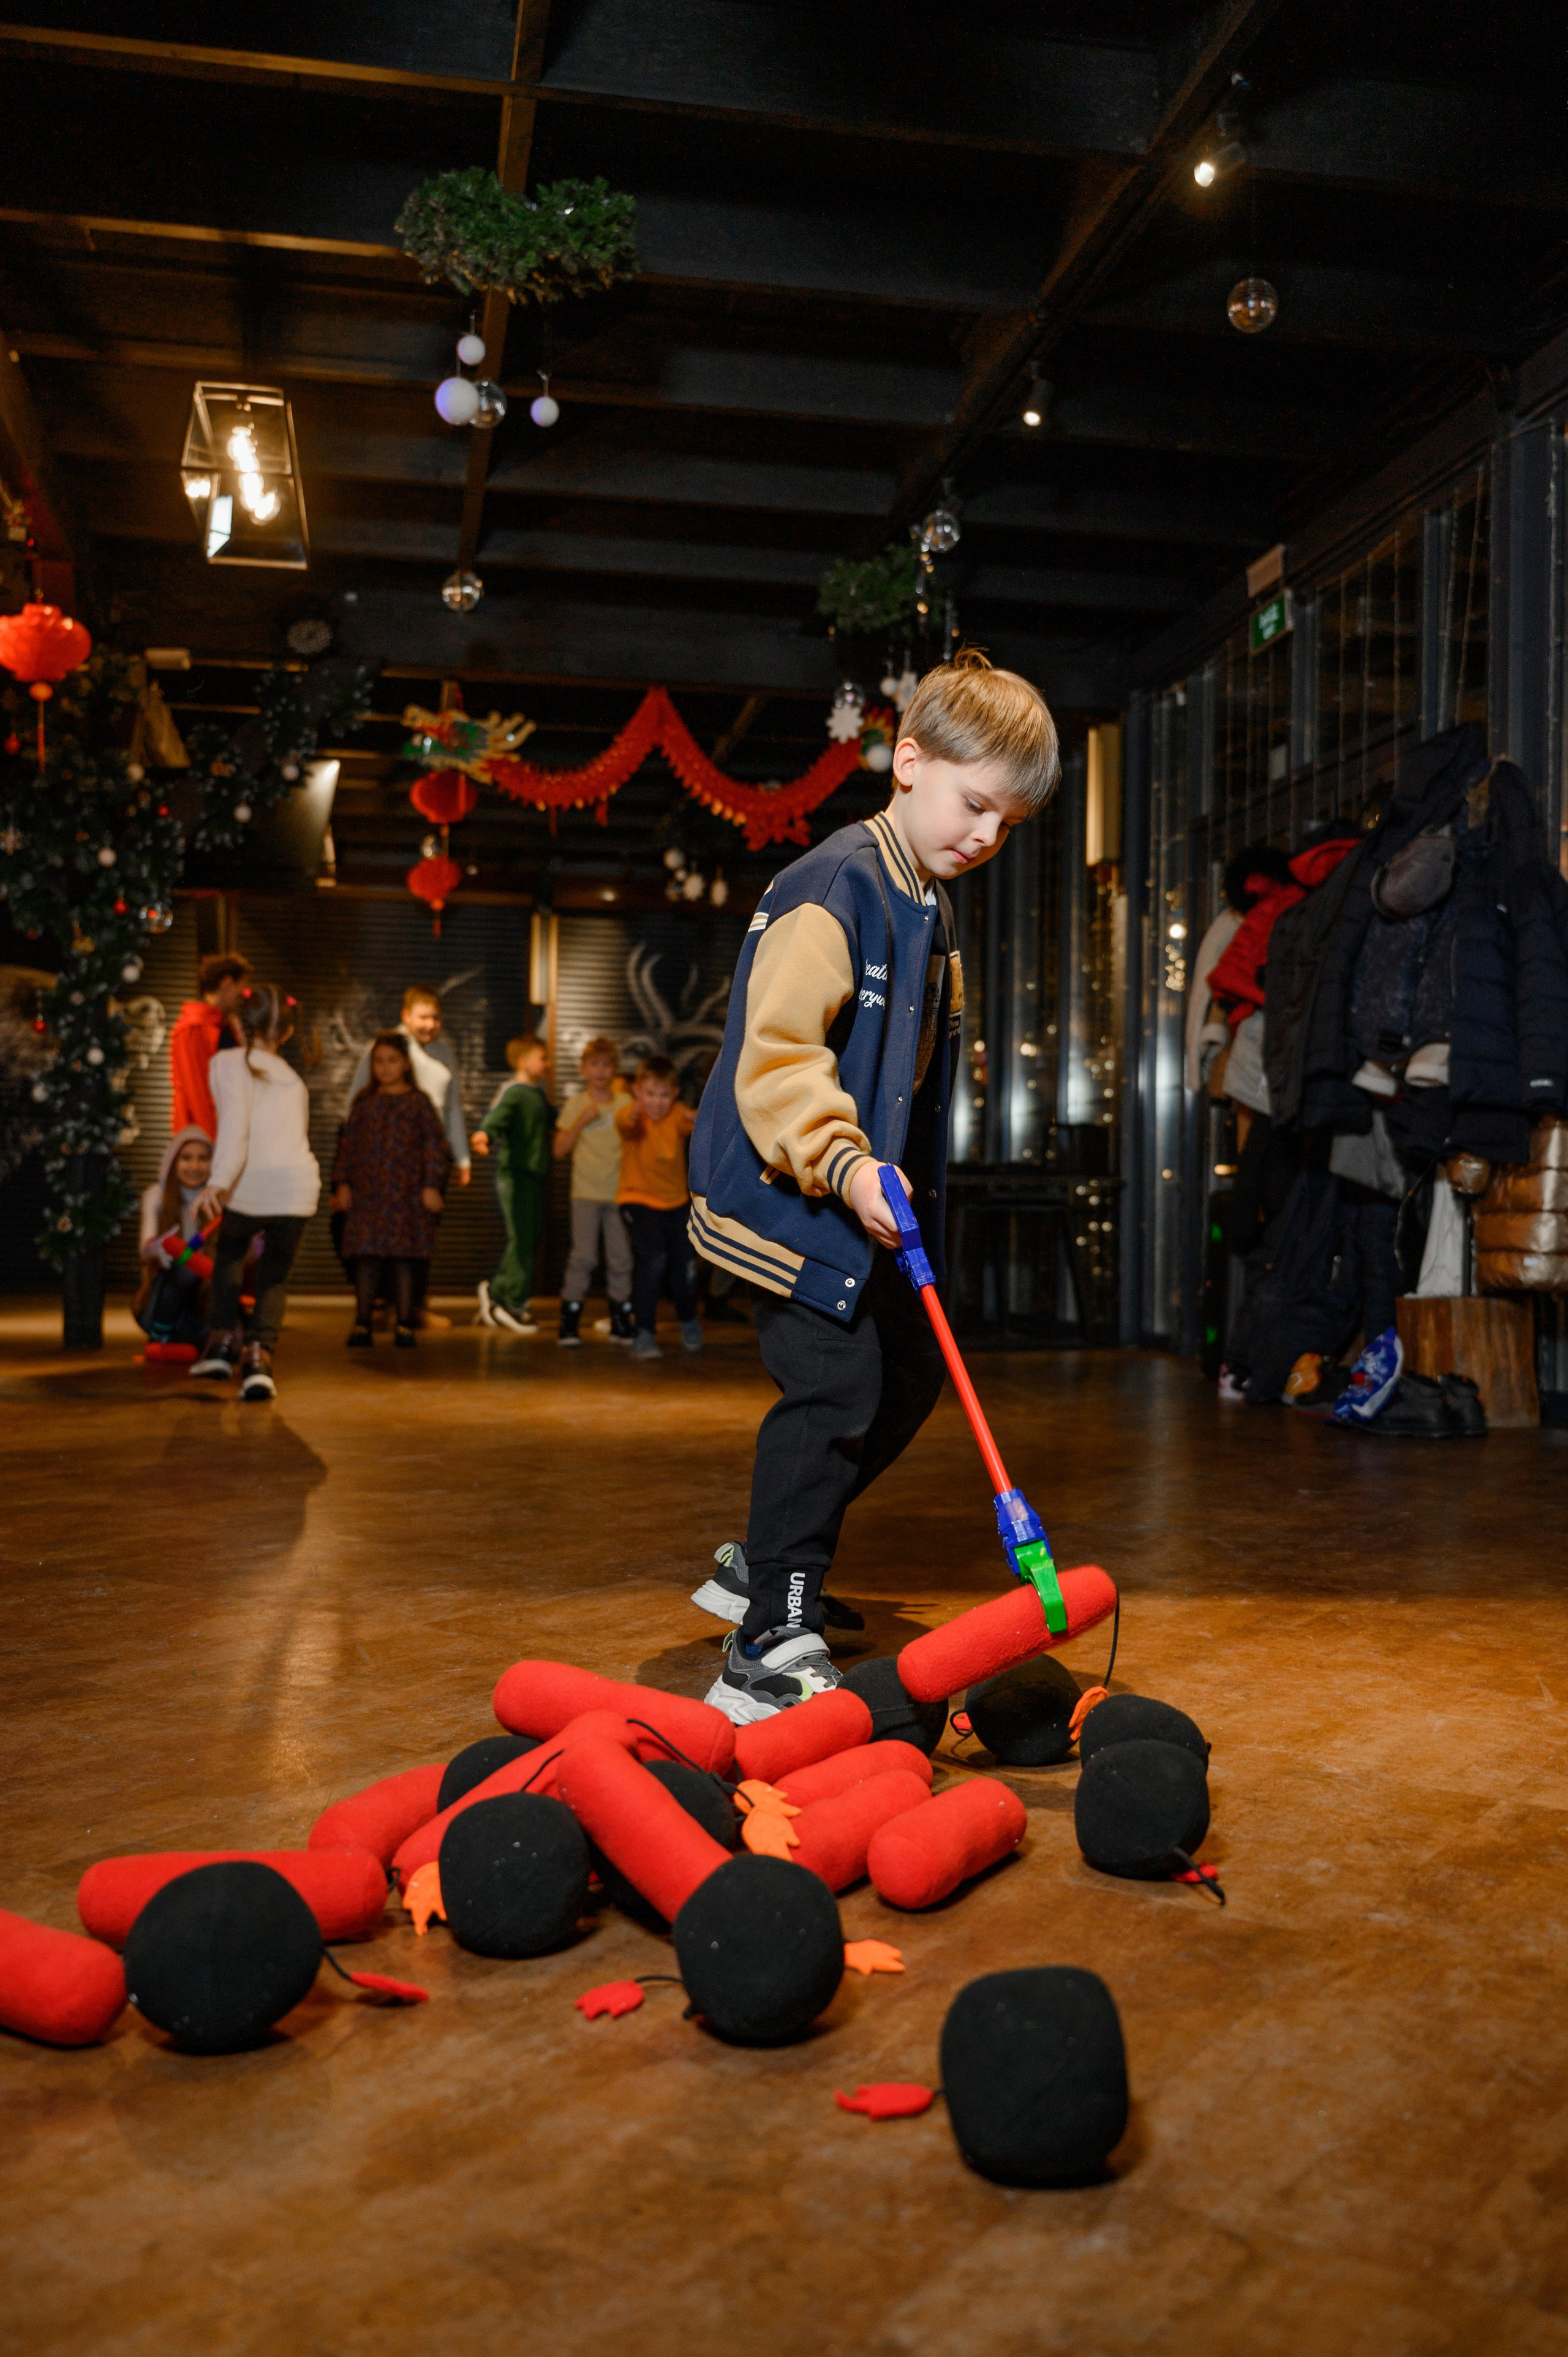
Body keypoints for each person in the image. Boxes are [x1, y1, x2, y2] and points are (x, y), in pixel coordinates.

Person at [685, 649, 1060, 1722]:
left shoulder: (928, 904)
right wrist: (845, 1161)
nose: (986, 834)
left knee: (905, 1376)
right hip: (783, 1188)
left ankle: (768, 1562)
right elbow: (779, 1057)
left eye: (1008, 823)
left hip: (853, 1199)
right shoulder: (839, 882)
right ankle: (767, 1638)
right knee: (837, 1386)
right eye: (975, 802)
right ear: (908, 760)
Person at [190, 984, 321, 1402]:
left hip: (250, 1186)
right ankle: (260, 1362)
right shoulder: (294, 1080)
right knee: (273, 1279)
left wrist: (218, 1182)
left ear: (239, 1025)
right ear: (286, 1033)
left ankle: (222, 1345)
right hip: (297, 1189)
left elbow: (235, 1128)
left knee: (229, 1256)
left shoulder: (228, 1063)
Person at [331, 1031, 450, 1348]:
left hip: (406, 1195)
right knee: (366, 1257)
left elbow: (434, 1148)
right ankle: (362, 1320)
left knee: (405, 1258)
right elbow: (348, 1146)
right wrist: (343, 1184)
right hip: (368, 1194)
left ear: (405, 1064)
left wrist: (431, 1185)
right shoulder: (364, 1103)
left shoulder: (419, 1103)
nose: (385, 1068)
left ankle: (405, 1323)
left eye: (392, 1061)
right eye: (379, 1062)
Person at [616, 1054, 699, 1362]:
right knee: (653, 1259)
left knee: (684, 1267)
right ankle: (644, 1333)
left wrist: (700, 1116)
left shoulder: (677, 1114)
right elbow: (626, 1124)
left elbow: (699, 1121)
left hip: (676, 1203)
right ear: (638, 1092)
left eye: (664, 1095)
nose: (657, 1102)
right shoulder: (630, 1115)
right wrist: (639, 1107)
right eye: (650, 1093)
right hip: (637, 1200)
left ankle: (689, 1320)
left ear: (675, 1093)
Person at [552, 1034, 633, 1346]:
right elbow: (558, 1149)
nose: (600, 1071)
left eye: (606, 1065)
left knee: (621, 1259)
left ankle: (620, 1321)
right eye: (594, 1065)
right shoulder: (576, 1104)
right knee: (583, 1257)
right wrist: (579, 1123)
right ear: (583, 1069)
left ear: (614, 1069)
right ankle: (569, 1323)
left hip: (619, 1194)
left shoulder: (626, 1105)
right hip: (585, 1194)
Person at [472, 1034, 552, 1335]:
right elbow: (497, 1118)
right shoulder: (515, 1093)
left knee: (527, 1238)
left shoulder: (537, 1095)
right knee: (521, 1238)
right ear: (524, 1061)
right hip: (516, 1176)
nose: (547, 1064)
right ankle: (509, 1301)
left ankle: (499, 1295)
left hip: (532, 1177)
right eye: (542, 1057)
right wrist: (484, 1135)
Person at [134, 1125, 214, 1357]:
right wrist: (155, 1249)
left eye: (203, 1159)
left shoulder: (221, 1202)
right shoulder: (156, 1197)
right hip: (161, 1303)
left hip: (201, 1306)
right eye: (186, 1158)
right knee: (185, 1269)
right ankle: (161, 1336)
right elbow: (144, 1250)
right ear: (172, 1162)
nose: (195, 1167)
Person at [168, 952, 251, 1137]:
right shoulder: (195, 1028)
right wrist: (210, 1143)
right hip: (204, 1137)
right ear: (227, 983)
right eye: (242, 989)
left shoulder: (222, 1025)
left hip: (221, 1132)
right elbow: (197, 1091)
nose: (243, 996)